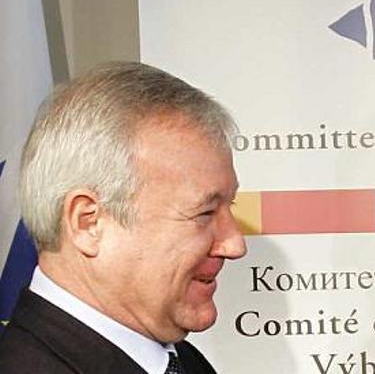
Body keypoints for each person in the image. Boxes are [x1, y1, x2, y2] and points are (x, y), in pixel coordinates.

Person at [0, 62, 247, 373]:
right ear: (88, 222)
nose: (235, 244)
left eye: (230, 206)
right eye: (205, 213)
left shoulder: (185, 363)